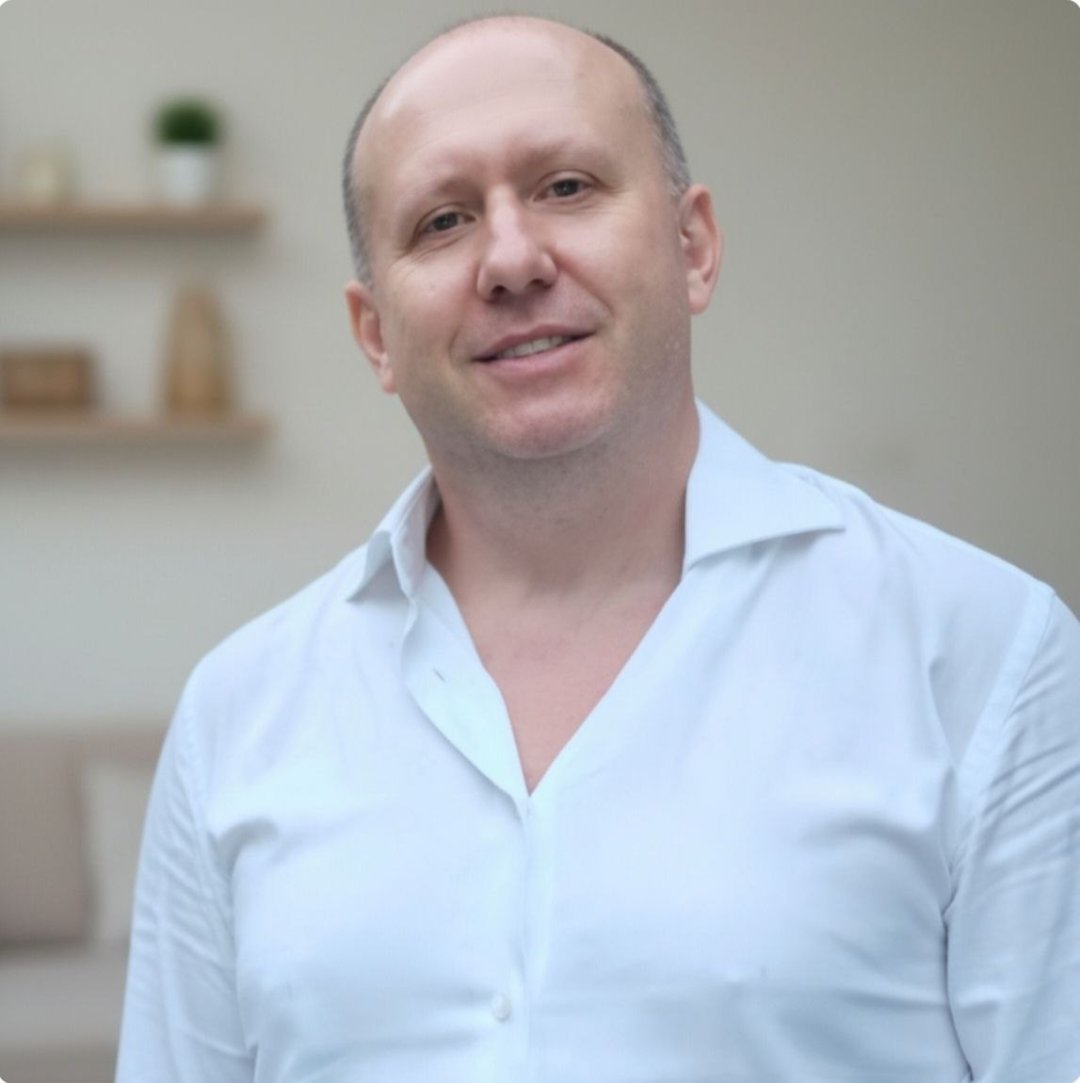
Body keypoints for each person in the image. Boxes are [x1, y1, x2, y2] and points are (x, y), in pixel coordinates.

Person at [117, 15, 1080, 1082]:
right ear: (376, 334)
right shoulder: (236, 717)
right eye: (442, 220)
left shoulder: (983, 654)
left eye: (566, 187)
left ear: (693, 246)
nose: (511, 259)